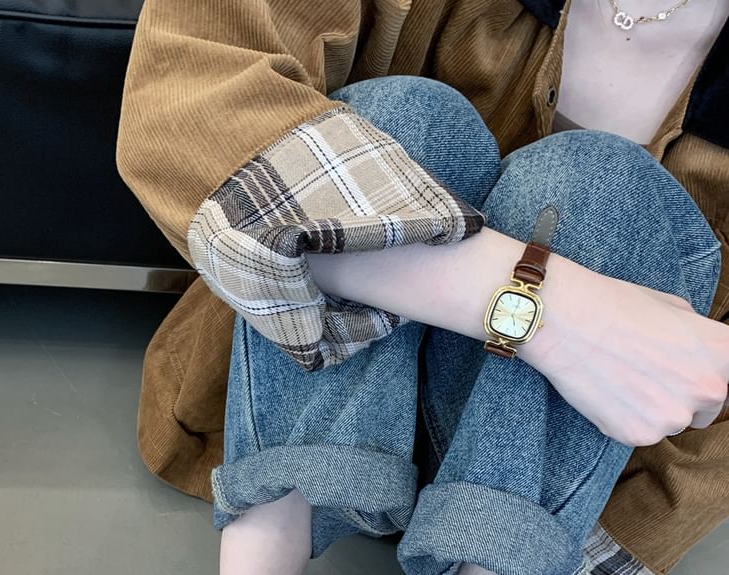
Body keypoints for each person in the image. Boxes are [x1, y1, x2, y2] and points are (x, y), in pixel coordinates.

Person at [116, 1, 729, 574]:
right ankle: (271, 535)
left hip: (561, 484)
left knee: (603, 184)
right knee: (407, 113)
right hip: (298, 411)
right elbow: (192, 91)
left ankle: (488, 558)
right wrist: (557, 317)